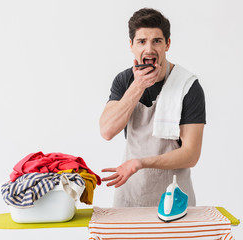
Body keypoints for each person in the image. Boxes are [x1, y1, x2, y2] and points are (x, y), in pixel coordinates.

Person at [99, 8, 206, 207]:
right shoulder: (124, 81)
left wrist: (141, 163)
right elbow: (106, 130)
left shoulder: (188, 85)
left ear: (168, 44)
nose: (149, 49)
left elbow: (191, 154)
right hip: (130, 196)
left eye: (156, 40)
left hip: (175, 198)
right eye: (141, 41)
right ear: (131, 45)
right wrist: (137, 86)